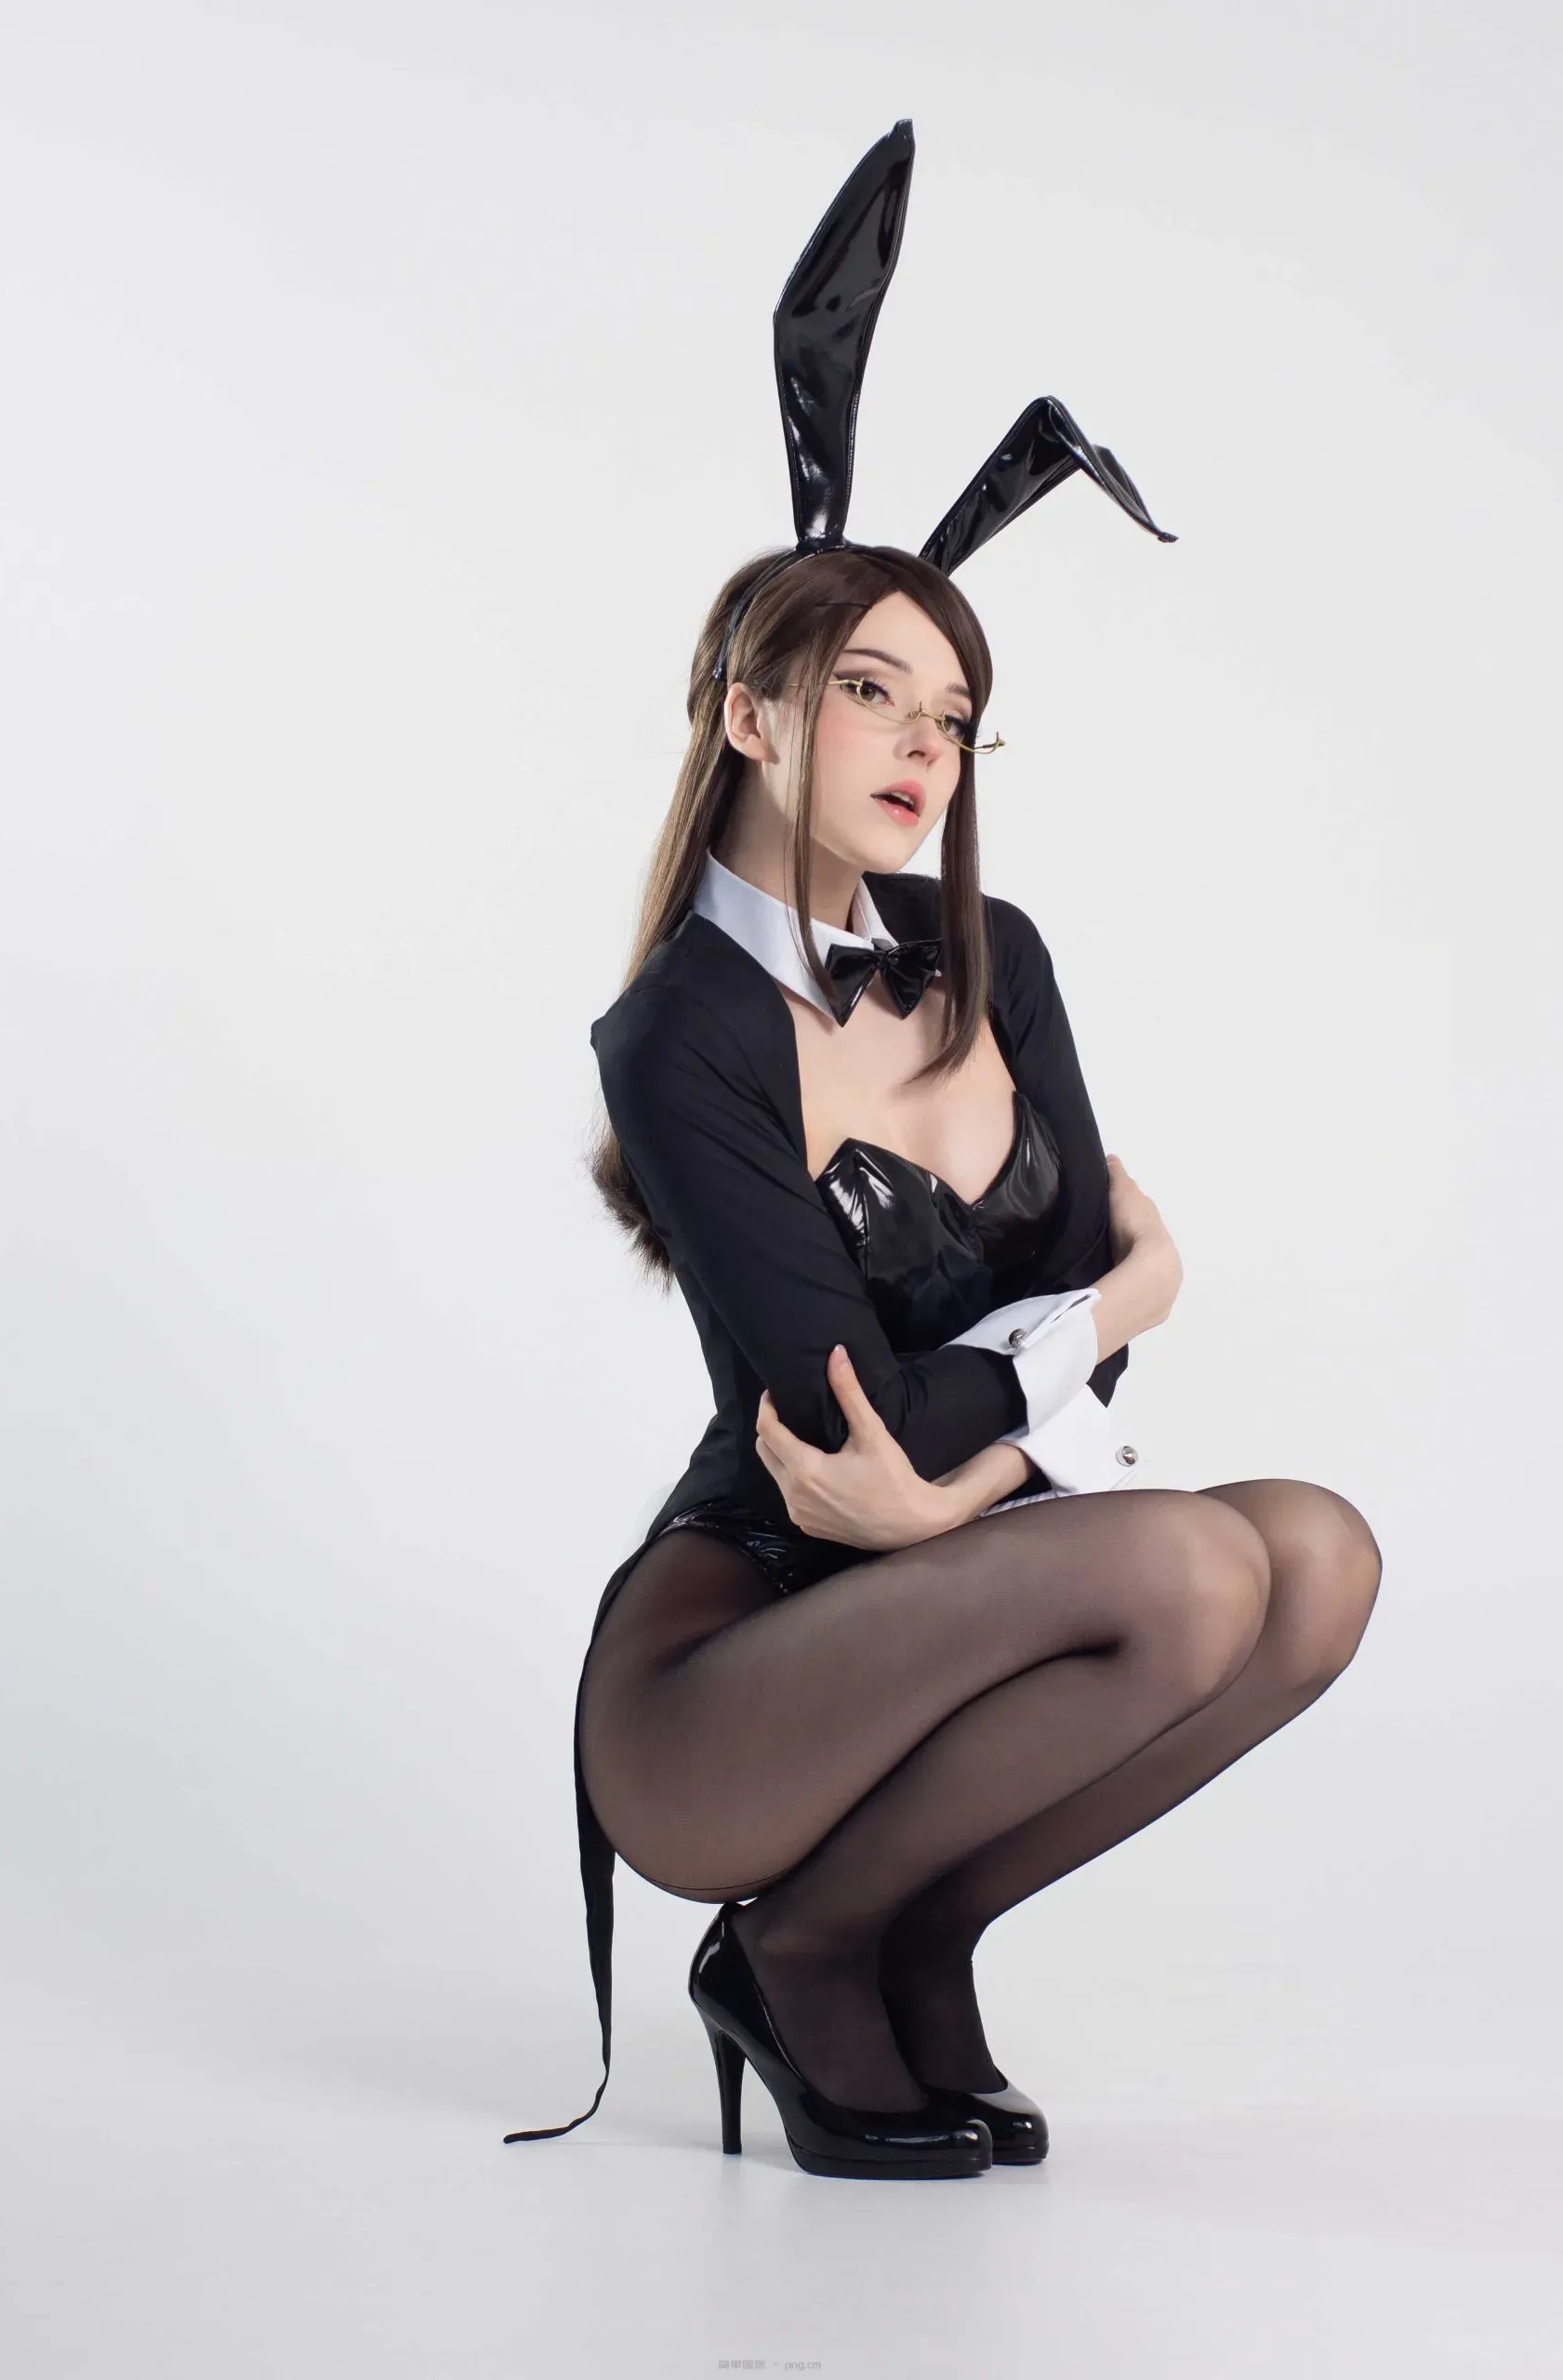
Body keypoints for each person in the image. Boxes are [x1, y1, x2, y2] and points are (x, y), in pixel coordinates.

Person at [503, 128, 1382, 2182]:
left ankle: (907, 1929)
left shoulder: (1004, 957)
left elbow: (989, 1398)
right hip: (729, 1669)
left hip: (948, 1574)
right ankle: (791, 1939)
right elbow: (875, 1426)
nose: (924, 743)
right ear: (749, 715)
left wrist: (983, 1455)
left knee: (1315, 1561)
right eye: (873, 691)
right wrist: (1105, 1313)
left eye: (957, 712)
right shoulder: (678, 1036)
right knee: (1183, 1558)